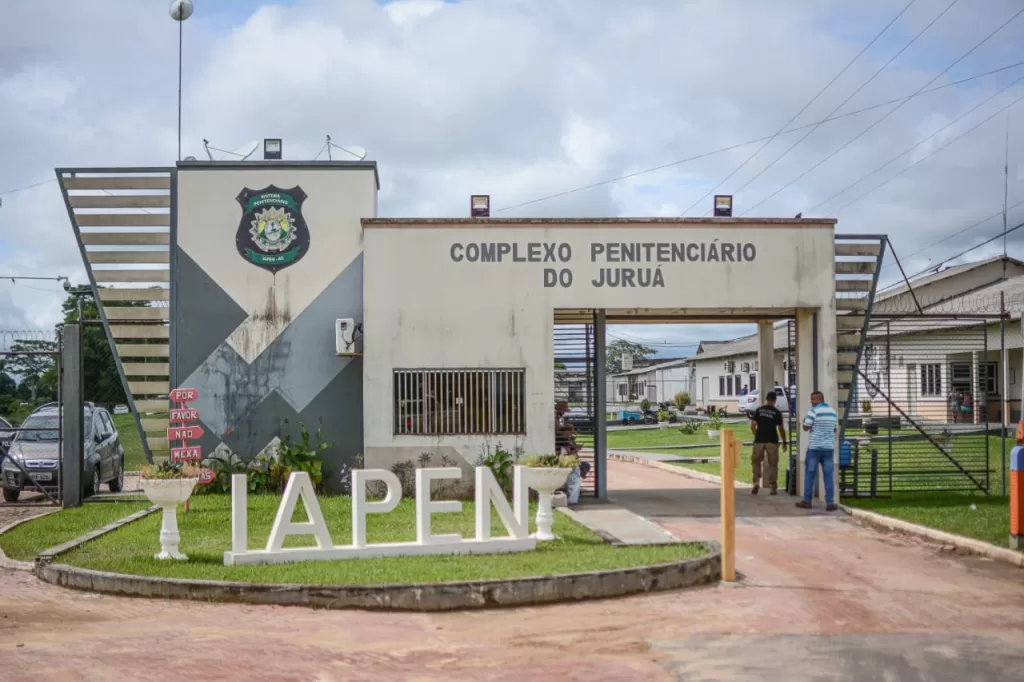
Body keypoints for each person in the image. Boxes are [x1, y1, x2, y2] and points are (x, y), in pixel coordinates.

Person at [797, 390, 838, 511]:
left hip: (814, 448)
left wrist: (804, 421)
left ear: (819, 399)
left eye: (813, 399)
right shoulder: (833, 412)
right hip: (828, 448)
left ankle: (807, 501)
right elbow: (834, 429)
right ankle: (830, 503)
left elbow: (806, 427)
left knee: (810, 474)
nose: (811, 402)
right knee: (828, 475)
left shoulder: (813, 411)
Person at [750, 390, 787, 495]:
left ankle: (756, 482)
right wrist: (784, 442)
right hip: (772, 440)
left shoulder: (759, 410)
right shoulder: (777, 413)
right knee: (773, 464)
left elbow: (753, 425)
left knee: (756, 461)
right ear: (775, 400)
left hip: (759, 440)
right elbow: (781, 428)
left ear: (766, 399)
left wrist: (757, 435)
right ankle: (773, 487)